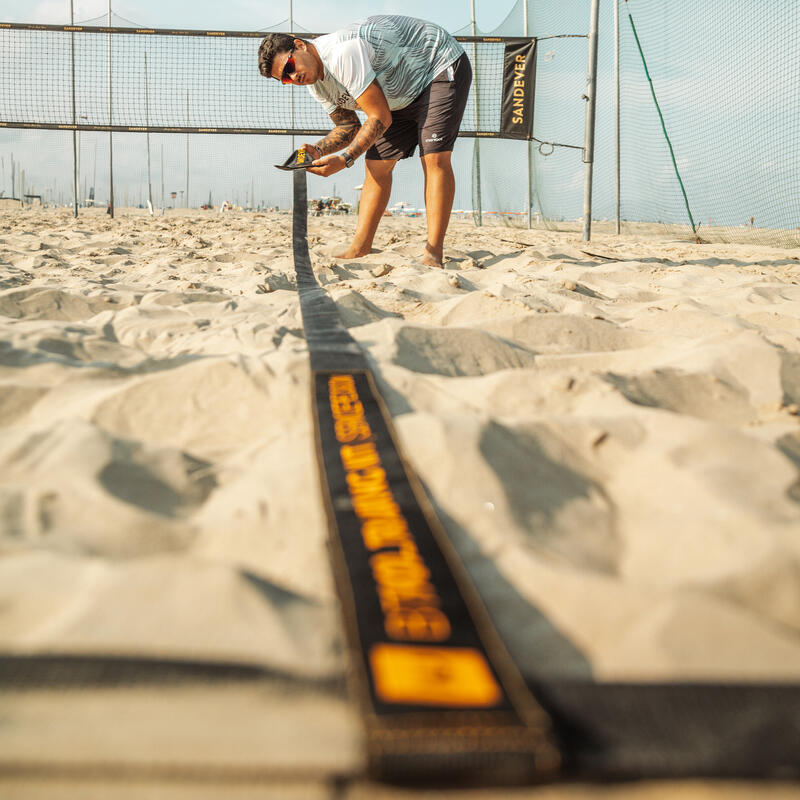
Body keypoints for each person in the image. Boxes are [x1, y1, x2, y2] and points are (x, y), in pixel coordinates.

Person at [258, 16, 472, 268]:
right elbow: (349, 127)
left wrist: (345, 159)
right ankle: (360, 247)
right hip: (397, 97)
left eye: (290, 67)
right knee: (376, 167)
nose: (293, 77)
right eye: (285, 78)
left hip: (436, 65)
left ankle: (433, 253)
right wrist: (318, 150)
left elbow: (379, 116)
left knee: (434, 158)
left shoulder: (342, 53)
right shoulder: (316, 84)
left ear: (300, 46)